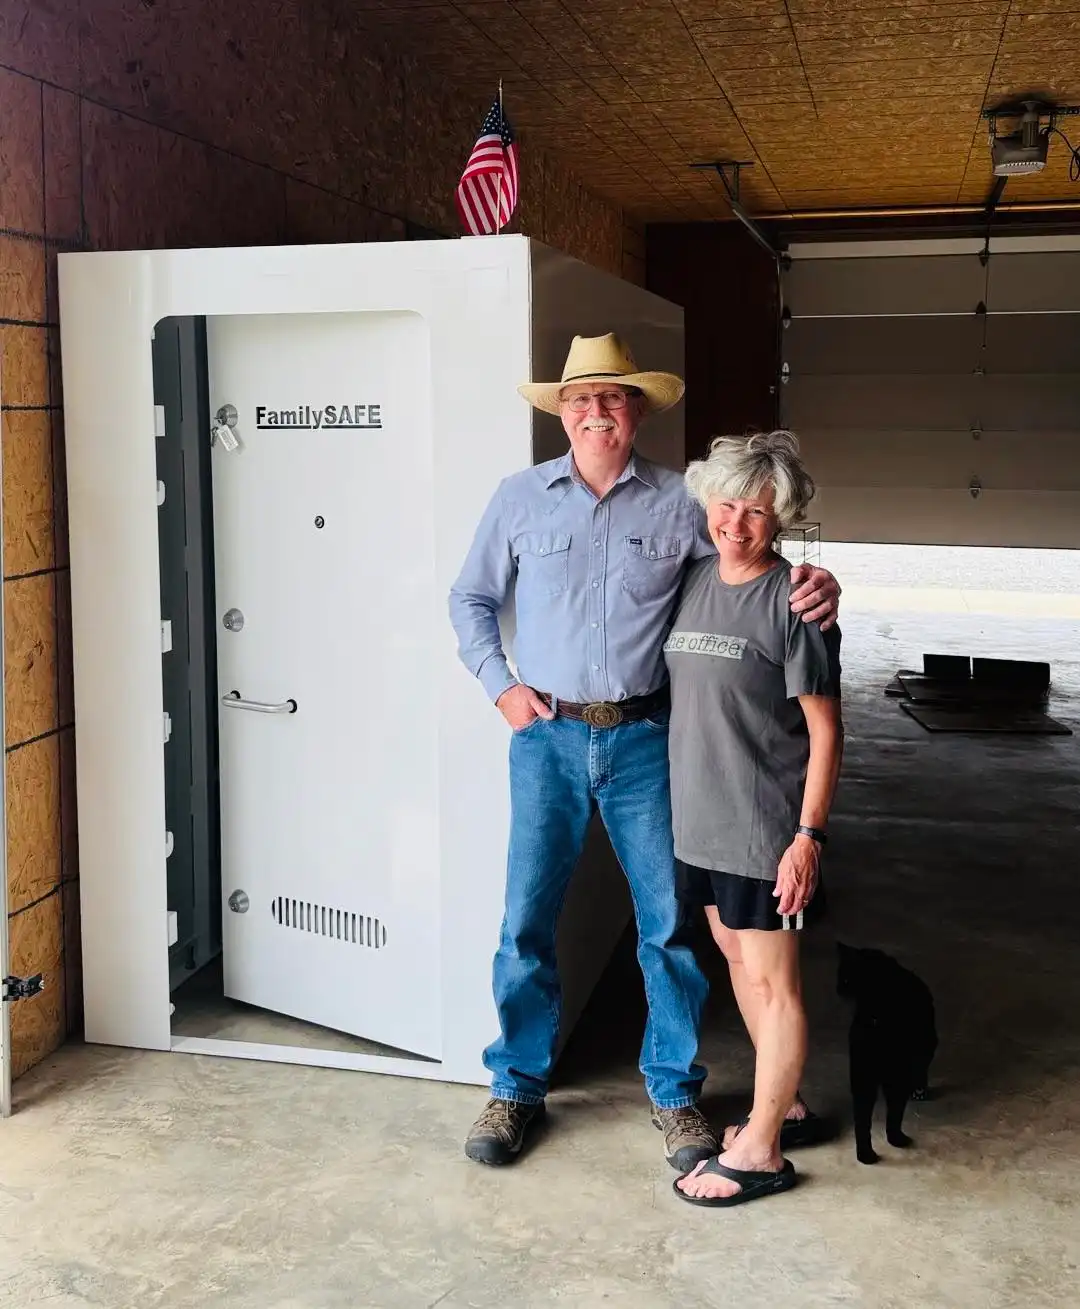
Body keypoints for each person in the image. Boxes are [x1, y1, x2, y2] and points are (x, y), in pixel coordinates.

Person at [448, 333, 841, 1171]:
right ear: (562, 410)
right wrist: (501, 685)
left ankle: (674, 1093)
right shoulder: (518, 499)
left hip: (647, 742)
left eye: (615, 397)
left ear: (639, 412)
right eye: (582, 397)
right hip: (546, 737)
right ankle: (516, 1085)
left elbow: (749, 573)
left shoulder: (681, 505)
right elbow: (471, 598)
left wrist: (819, 585)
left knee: (665, 925)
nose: (598, 411)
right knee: (525, 922)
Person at [668, 430, 844, 1208]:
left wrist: (807, 838)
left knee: (775, 985)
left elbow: (826, 729)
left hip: (762, 825)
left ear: (783, 520)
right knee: (736, 958)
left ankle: (763, 1149)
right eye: (727, 505)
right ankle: (788, 1102)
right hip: (697, 820)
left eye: (757, 512)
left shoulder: (796, 601)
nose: (736, 524)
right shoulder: (693, 579)